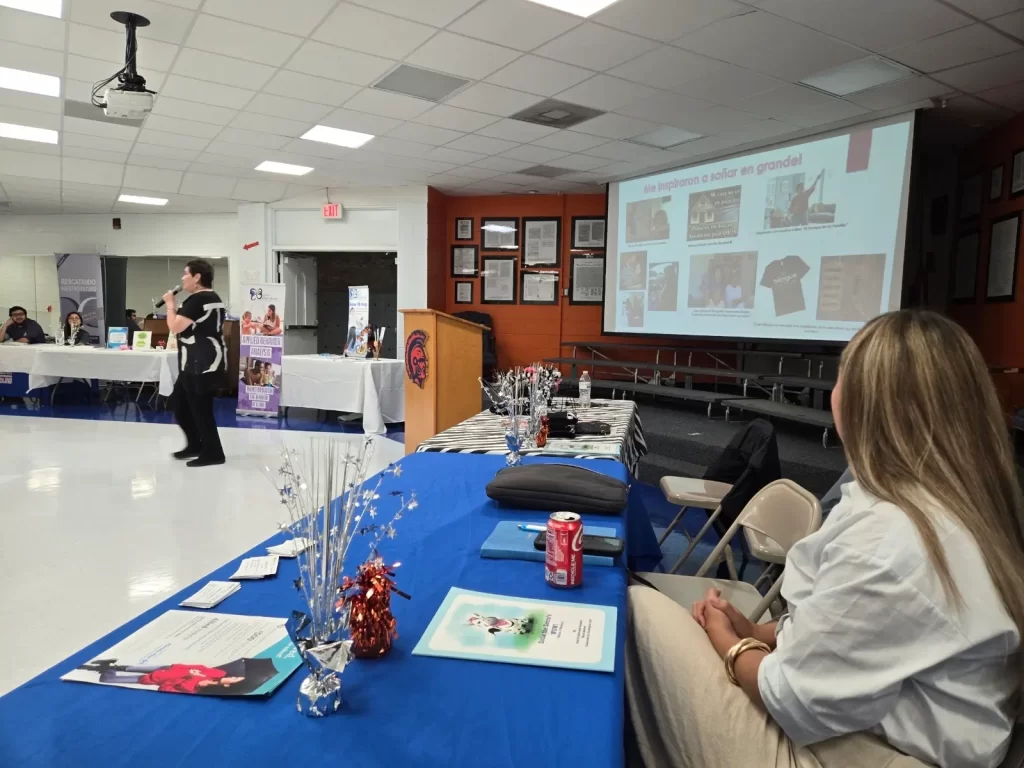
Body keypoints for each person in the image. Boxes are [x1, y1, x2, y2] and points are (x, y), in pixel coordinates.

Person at [627, 309, 1024, 768]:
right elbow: (844, 625)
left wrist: (732, 644)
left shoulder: (892, 541)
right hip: (868, 728)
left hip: (860, 753)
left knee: (641, 610)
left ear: (857, 405)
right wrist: (759, 631)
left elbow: (788, 697)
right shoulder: (957, 507)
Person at [163, 259, 227, 468]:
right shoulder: (212, 297)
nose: (182, 278)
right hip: (196, 361)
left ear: (197, 277)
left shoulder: (199, 300)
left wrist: (170, 306)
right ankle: (195, 445)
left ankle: (213, 452)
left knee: (201, 409)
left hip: (202, 363)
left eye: (185, 273)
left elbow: (175, 326)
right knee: (180, 404)